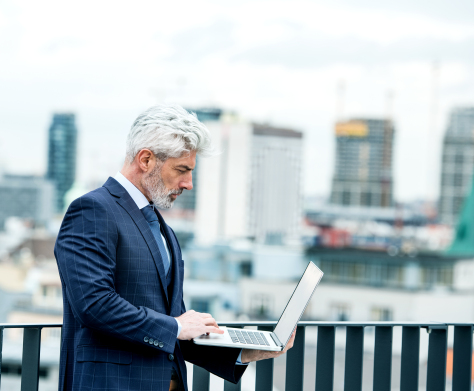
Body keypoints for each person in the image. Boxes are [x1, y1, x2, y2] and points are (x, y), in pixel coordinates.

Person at [54, 104, 295, 391]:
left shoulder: (159, 225)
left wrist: (245, 352)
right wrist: (178, 327)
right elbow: (94, 304)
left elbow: (172, 327)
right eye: (182, 170)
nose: (189, 184)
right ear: (146, 159)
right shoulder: (93, 210)